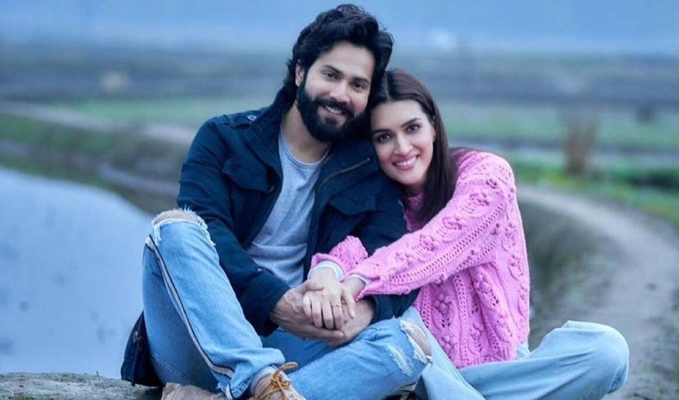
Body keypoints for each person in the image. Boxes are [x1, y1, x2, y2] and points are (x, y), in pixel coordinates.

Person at [120, 6, 433, 400]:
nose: (341, 94)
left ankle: (264, 392)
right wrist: (277, 302)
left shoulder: (368, 171)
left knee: (409, 342)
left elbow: (395, 259)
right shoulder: (224, 139)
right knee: (175, 229)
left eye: (358, 84)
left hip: (292, 349)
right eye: (331, 75)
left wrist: (364, 313)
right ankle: (259, 380)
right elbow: (211, 233)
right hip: (196, 341)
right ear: (301, 71)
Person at [306, 69, 630, 399]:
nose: (402, 148)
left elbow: (436, 245)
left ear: (434, 126)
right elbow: (349, 250)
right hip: (429, 373)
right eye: (384, 137)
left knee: (607, 350)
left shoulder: (487, 175)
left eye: (412, 128)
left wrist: (358, 281)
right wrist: (327, 274)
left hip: (505, 372)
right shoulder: (381, 205)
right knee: (399, 333)